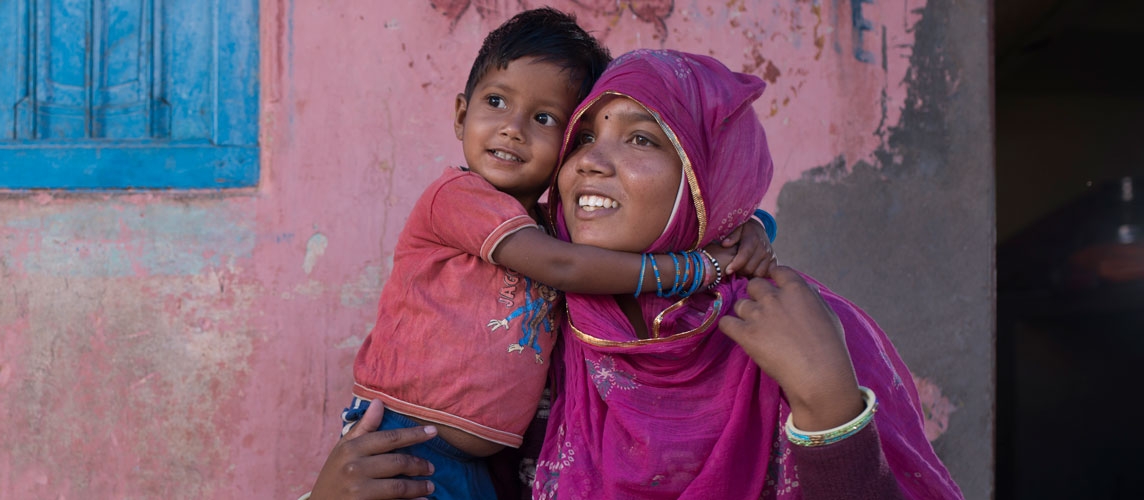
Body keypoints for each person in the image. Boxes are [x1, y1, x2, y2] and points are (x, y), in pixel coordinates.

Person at [313, 49, 962, 499]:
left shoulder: (797, 328)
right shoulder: (545, 335)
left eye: (642, 138)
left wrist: (829, 411)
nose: (591, 162)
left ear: (709, 179)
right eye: (582, 139)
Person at [340, 10, 776, 500]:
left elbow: (699, 210)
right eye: (497, 102)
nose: (513, 129)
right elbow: (563, 268)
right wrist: (695, 268)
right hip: (404, 439)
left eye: (544, 119)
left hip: (473, 459)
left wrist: (751, 227)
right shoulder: (459, 198)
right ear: (461, 114)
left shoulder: (552, 227)